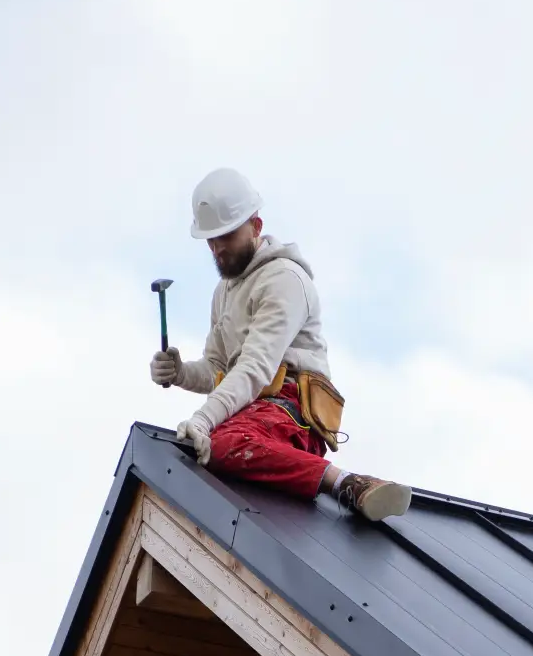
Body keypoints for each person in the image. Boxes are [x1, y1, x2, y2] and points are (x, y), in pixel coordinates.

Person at [150, 168, 413, 522]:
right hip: (252, 408)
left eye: (226, 236)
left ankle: (348, 483)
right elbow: (219, 370)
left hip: (291, 408)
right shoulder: (224, 292)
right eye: (210, 240)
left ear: (256, 226)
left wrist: (204, 418)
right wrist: (181, 373)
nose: (217, 249)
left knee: (223, 444)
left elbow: (255, 368)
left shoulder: (284, 280)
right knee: (209, 448)